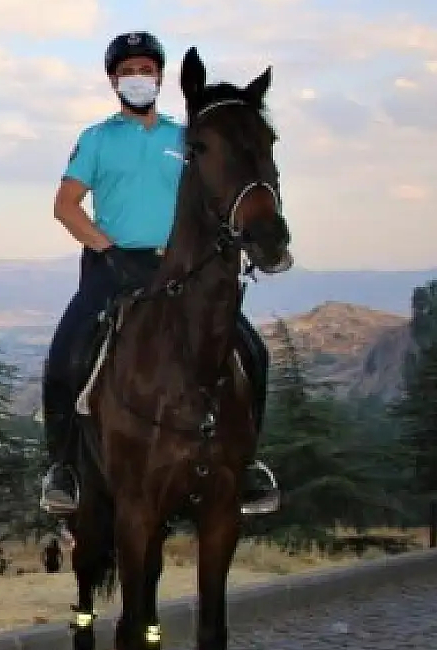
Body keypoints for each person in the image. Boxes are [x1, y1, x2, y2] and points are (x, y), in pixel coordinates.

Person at [37, 32, 279, 518]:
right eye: (128, 71)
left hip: (181, 266)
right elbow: (66, 206)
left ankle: (248, 463)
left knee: (251, 348)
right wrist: (108, 249)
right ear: (113, 80)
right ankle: (64, 467)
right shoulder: (97, 139)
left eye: (147, 70)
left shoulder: (182, 136)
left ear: (161, 78)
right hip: (112, 265)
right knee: (66, 353)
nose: (138, 78)